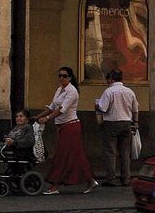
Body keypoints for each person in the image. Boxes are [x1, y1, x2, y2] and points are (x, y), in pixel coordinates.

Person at [40, 65, 98, 195]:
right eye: (60, 76)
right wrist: (38, 116)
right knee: (76, 156)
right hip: (62, 127)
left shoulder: (72, 91)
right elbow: (52, 106)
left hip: (71, 126)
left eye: (64, 76)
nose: (61, 78)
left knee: (62, 156)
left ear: (70, 77)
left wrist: (47, 118)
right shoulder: (59, 89)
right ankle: (90, 180)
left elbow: (62, 109)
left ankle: (54, 185)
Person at [96, 68, 139, 186]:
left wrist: (96, 106)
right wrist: (136, 122)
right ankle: (126, 178)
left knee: (110, 152)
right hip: (126, 123)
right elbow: (135, 109)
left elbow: (103, 108)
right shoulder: (129, 91)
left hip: (111, 123)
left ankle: (111, 179)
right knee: (125, 152)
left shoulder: (109, 91)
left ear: (111, 79)